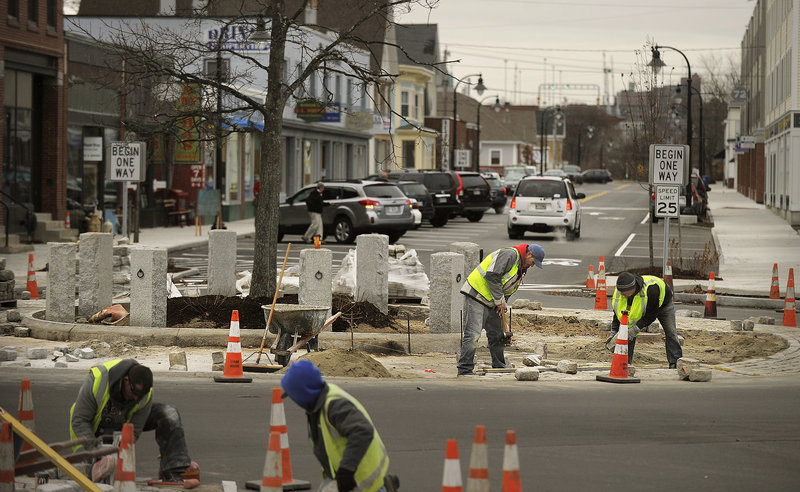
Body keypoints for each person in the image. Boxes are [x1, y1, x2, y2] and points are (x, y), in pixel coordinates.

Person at [69, 359, 199, 485]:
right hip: (91, 432)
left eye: (141, 394)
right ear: (126, 380)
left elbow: (134, 431)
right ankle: (92, 464)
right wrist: (96, 452)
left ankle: (173, 471)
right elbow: (80, 420)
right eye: (135, 392)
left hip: (121, 426)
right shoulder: (97, 381)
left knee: (169, 414)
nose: (137, 397)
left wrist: (118, 453)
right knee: (88, 475)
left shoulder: (143, 393)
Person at [281, 360, 397, 492]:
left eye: (293, 395)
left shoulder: (334, 405)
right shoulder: (317, 403)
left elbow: (363, 431)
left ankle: (385, 488)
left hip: (362, 480)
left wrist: (346, 470)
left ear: (302, 393)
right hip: (340, 477)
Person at [457, 243, 545, 376]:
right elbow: (492, 276)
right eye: (533, 262)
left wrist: (502, 305)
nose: (532, 265)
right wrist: (499, 301)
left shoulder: (521, 268)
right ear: (529, 254)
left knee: (498, 336)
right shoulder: (510, 255)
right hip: (477, 295)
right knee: (473, 335)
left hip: (493, 301)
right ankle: (465, 369)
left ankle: (499, 366)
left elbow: (507, 287)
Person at [609, 271, 683, 368]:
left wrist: (636, 329)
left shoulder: (651, 289)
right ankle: (625, 364)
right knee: (628, 332)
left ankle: (675, 362)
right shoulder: (621, 292)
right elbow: (618, 312)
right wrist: (614, 332)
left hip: (664, 304)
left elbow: (651, 315)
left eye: (624, 292)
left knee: (671, 332)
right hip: (648, 307)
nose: (621, 294)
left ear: (632, 288)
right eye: (620, 291)